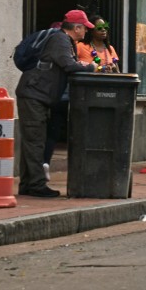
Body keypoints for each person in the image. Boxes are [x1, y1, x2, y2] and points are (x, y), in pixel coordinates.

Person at [16, 11, 96, 197]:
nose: (86, 31)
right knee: (36, 141)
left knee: (33, 140)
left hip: (36, 95)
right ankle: (36, 185)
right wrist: (90, 67)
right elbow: (68, 65)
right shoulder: (60, 40)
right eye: (84, 27)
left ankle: (28, 184)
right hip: (34, 95)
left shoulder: (63, 40)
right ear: (76, 27)